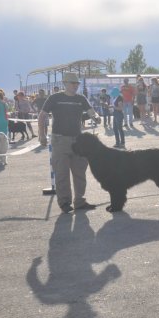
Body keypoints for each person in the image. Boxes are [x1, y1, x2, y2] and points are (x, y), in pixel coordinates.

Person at [39, 72, 101, 214]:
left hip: (78, 141)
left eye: (77, 83)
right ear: (65, 83)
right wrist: (41, 134)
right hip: (60, 140)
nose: (75, 86)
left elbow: (91, 111)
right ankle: (65, 202)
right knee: (62, 173)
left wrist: (96, 117)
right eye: (73, 83)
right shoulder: (55, 98)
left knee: (80, 172)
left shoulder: (81, 98)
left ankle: (80, 201)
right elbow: (42, 115)